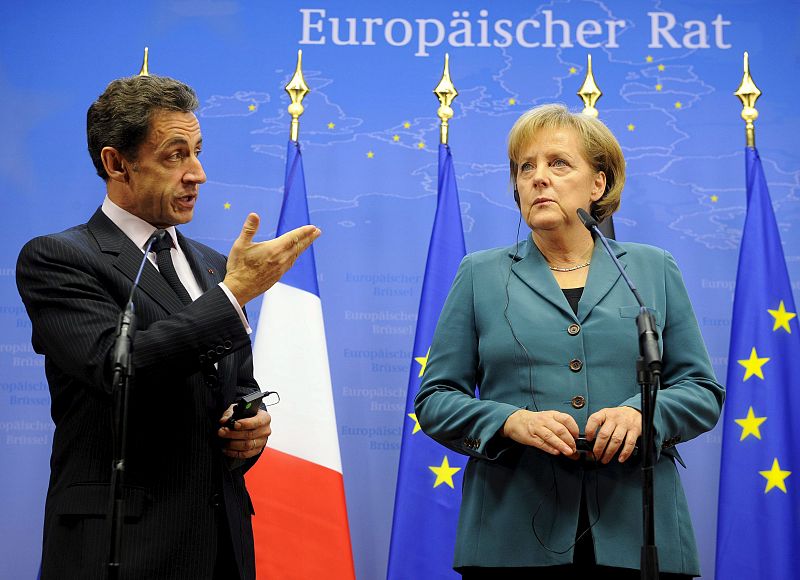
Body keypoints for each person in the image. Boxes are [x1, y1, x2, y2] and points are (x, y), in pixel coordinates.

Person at [15, 74, 320, 580]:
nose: (197, 173)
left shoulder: (216, 266)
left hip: (220, 546)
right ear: (117, 164)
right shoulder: (61, 258)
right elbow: (118, 366)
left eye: (198, 151)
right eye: (175, 155)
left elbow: (230, 385)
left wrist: (248, 430)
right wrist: (235, 296)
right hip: (122, 546)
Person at [414, 104, 724, 579]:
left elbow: (701, 390)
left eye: (558, 163)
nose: (538, 178)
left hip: (639, 533)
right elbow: (435, 400)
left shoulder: (651, 269)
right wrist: (508, 420)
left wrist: (642, 414)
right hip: (511, 534)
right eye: (525, 167)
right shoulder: (480, 274)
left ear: (598, 184)